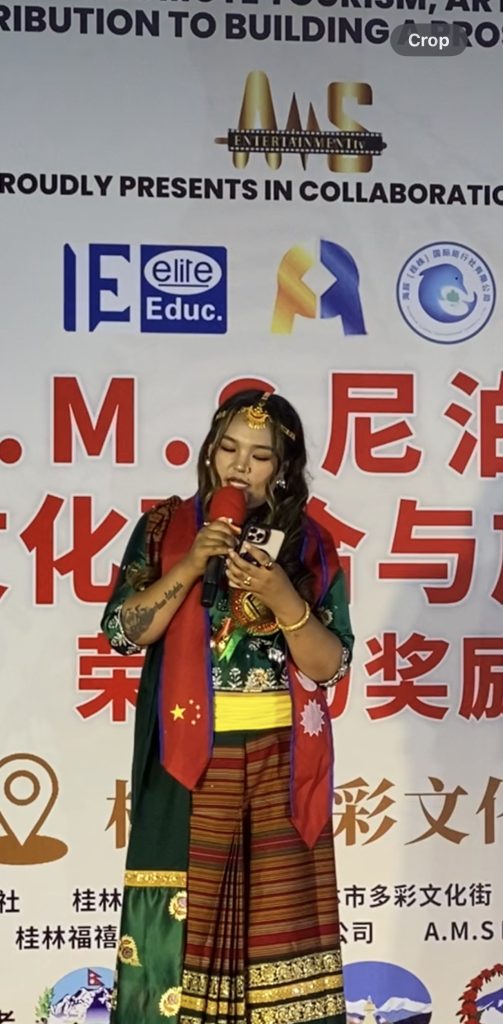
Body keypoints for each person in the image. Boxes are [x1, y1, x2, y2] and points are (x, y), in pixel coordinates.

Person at [101, 389, 354, 1024]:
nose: (240, 466)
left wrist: (282, 595)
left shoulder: (310, 545)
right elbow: (123, 632)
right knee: (185, 938)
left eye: (260, 456)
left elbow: (330, 665)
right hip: (190, 761)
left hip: (282, 763)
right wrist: (192, 563)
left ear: (284, 467)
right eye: (229, 448)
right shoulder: (164, 530)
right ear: (210, 451)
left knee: (281, 930)